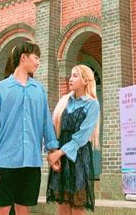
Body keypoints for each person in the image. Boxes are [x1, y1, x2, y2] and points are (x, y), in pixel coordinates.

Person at [0, 42, 60, 215]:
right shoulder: (0, 89)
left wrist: (53, 150)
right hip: (5, 159)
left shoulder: (39, 90)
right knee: (2, 207)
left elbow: (46, 122)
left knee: (24, 206)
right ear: (23, 57)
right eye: (36, 57)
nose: (38, 62)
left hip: (31, 159)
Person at [46, 64, 100, 214]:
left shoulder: (92, 104)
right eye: (70, 75)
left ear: (85, 80)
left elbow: (82, 137)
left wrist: (59, 153)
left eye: (75, 76)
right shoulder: (64, 101)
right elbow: (54, 129)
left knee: (77, 207)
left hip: (78, 158)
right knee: (62, 205)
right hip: (61, 157)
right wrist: (53, 153)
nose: (70, 79)